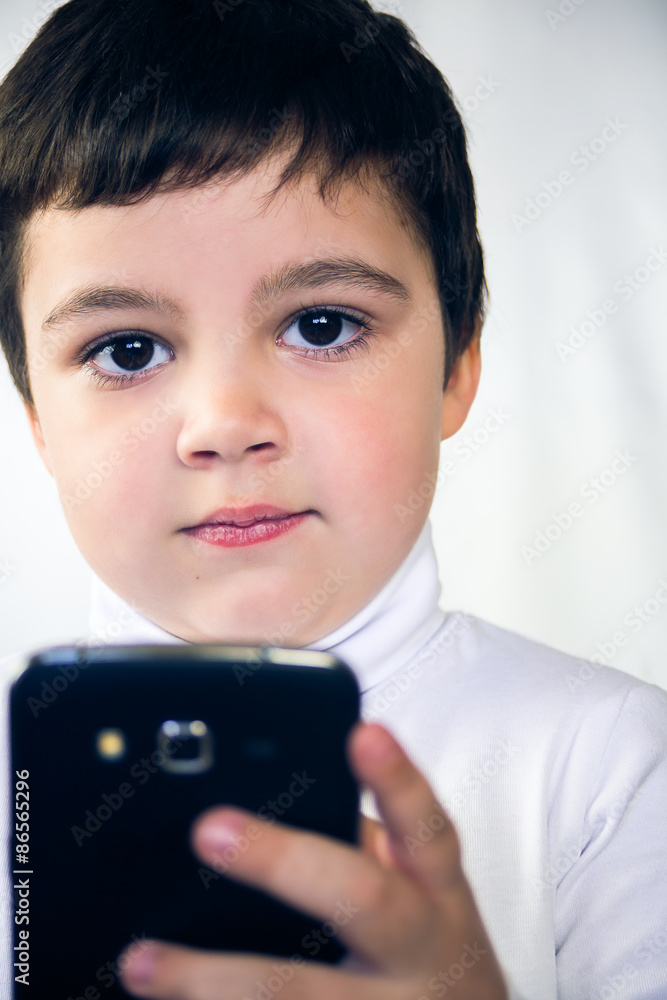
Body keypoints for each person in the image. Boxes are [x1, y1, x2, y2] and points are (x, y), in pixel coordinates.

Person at [1, 1, 666, 998]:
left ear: (456, 364)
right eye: (127, 349)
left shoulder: (612, 766)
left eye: (320, 325)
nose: (225, 424)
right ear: (37, 419)